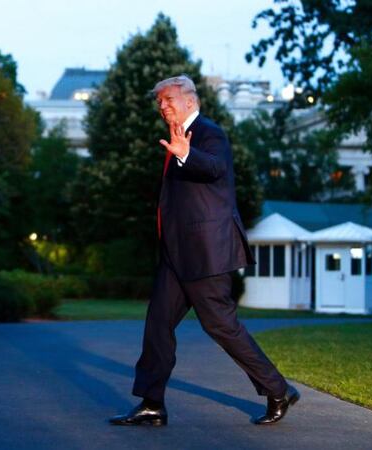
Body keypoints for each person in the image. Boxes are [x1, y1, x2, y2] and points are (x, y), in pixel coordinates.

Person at [109, 75, 299, 427]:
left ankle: (278, 390)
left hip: (206, 254)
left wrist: (186, 154)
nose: (162, 106)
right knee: (157, 324)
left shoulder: (210, 134)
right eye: (159, 102)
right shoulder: (176, 139)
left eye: (168, 100)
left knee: (221, 326)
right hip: (176, 254)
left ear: (190, 102)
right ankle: (152, 404)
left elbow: (214, 168)